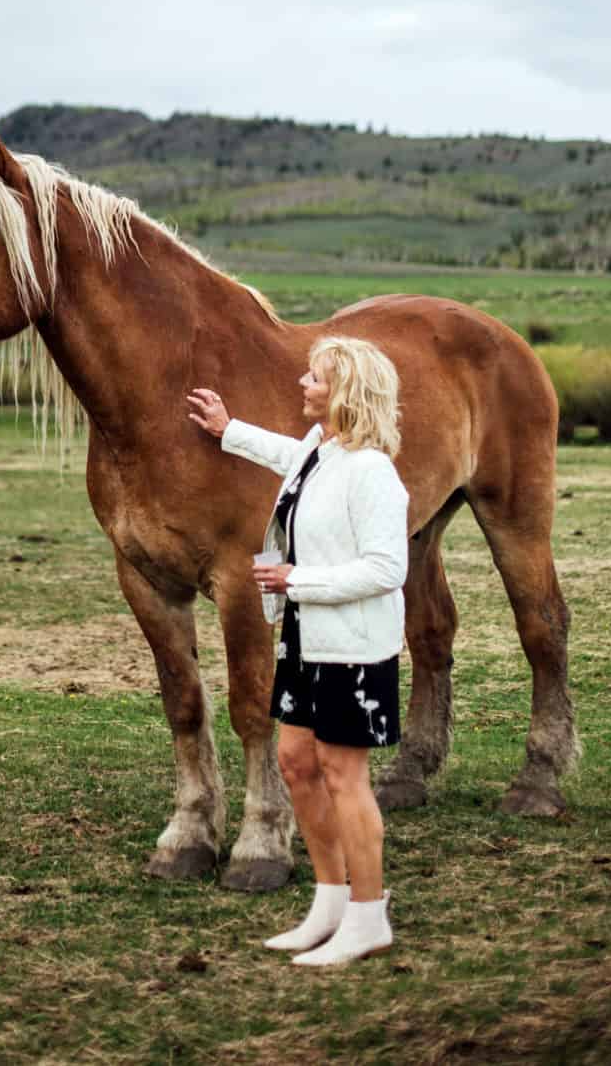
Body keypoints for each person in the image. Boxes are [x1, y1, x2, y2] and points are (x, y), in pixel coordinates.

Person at [187, 336, 408, 967]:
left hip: (355, 650)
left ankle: (369, 918)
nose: (303, 384)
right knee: (295, 762)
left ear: (346, 393)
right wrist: (230, 431)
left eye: (316, 378)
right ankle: (331, 903)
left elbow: (388, 568)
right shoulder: (322, 449)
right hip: (307, 639)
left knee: (344, 775)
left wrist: (296, 581)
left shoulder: (373, 472)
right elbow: (291, 457)